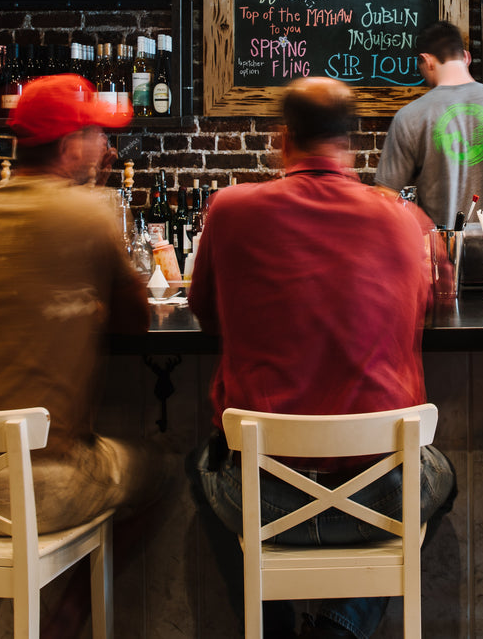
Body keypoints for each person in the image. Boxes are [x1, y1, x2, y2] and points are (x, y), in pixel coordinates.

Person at [187, 76, 457, 639]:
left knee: (200, 469)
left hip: (261, 496)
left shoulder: (229, 210)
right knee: (439, 480)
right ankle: (340, 628)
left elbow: (205, 311)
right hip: (380, 492)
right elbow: (437, 303)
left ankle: (276, 626)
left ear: (282, 140)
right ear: (350, 142)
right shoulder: (406, 221)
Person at [0, 73, 160, 639]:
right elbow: (137, 320)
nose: (105, 145)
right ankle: (65, 623)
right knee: (161, 467)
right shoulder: (88, 214)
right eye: (97, 132)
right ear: (70, 144)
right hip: (36, 488)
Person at [376, 20, 483, 228]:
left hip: (438, 255)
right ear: (466, 57)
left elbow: (384, 203)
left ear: (426, 60)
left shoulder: (409, 116)